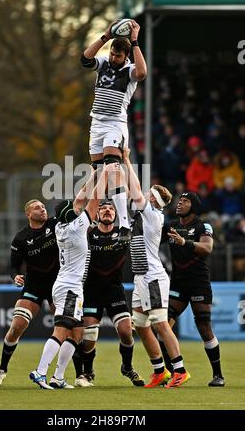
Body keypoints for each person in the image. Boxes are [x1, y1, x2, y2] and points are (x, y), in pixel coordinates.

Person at [29, 165, 110, 389]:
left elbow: (79, 199)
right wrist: (105, 173)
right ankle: (40, 371)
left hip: (67, 284)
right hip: (70, 287)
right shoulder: (78, 227)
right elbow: (93, 199)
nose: (78, 207)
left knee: (77, 332)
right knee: (62, 330)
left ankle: (58, 377)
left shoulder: (61, 226)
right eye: (74, 208)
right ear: (71, 214)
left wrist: (94, 172)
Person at [124, 149, 190, 388]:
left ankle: (180, 369)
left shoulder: (151, 213)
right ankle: (159, 370)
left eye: (148, 192)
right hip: (142, 275)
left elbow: (132, 186)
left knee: (160, 324)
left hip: (152, 276)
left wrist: (125, 159)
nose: (143, 193)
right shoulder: (150, 212)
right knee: (140, 325)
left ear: (153, 199)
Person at [81, 19, 147, 244]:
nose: (112, 58)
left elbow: (142, 72)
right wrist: (106, 36)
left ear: (125, 56)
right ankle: (91, 218)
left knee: (112, 166)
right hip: (96, 124)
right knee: (99, 173)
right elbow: (85, 59)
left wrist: (135, 41)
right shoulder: (103, 63)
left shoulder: (129, 70)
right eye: (112, 54)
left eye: (117, 56)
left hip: (114, 124)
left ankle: (125, 224)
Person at [72, 200, 144, 388]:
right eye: (102, 208)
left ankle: (127, 367)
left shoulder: (123, 235)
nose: (107, 210)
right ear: (96, 214)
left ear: (116, 214)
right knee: (88, 338)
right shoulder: (88, 234)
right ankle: (87, 372)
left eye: (111, 208)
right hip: (91, 290)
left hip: (114, 290)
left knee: (126, 332)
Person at [0, 199, 59, 387]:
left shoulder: (55, 224)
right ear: (28, 214)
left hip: (58, 284)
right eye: (37, 208)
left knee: (68, 328)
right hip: (34, 285)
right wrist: (15, 277)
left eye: (43, 207)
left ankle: (74, 375)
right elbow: (13, 266)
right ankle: (2, 369)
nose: (42, 209)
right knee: (16, 327)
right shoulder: (21, 238)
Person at [160, 192, 225, 387]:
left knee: (204, 328)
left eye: (185, 201)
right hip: (177, 283)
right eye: (179, 200)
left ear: (194, 206)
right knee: (163, 327)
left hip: (198, 283)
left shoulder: (202, 226)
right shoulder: (171, 225)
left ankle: (218, 375)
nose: (180, 203)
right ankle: (174, 373)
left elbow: (207, 248)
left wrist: (184, 242)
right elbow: (151, 238)